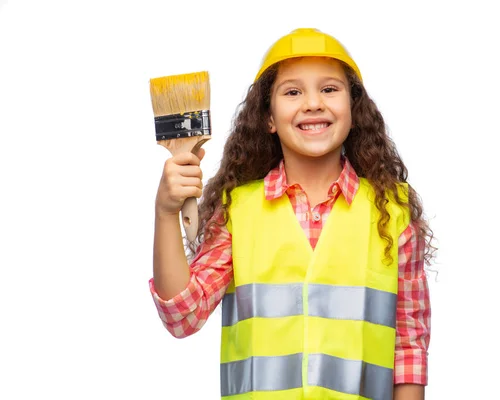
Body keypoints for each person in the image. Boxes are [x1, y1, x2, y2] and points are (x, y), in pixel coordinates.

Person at [150, 28, 435, 400]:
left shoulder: (393, 212)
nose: (313, 103)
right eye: (293, 92)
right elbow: (182, 316)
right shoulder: (238, 211)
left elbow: (408, 346)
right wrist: (165, 212)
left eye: (329, 89)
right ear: (268, 117)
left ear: (354, 110)